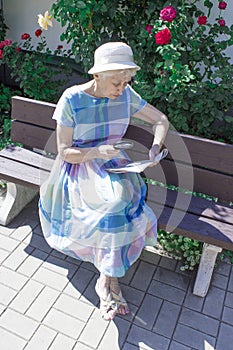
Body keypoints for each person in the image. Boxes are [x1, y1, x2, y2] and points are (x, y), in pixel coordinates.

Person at [39, 42, 169, 321]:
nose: (121, 89)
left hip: (114, 168)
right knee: (112, 207)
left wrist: (156, 147)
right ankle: (109, 281)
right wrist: (97, 152)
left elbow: (160, 120)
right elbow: (65, 152)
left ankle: (107, 278)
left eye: (126, 82)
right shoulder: (72, 99)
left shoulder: (126, 95)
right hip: (78, 168)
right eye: (116, 82)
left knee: (118, 203)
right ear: (96, 75)